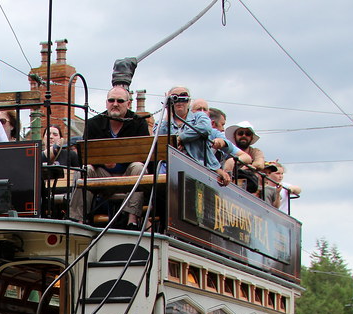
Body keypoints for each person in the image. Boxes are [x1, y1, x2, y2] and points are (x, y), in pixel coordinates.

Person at [69, 85, 149, 225]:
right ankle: (78, 220)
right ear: (106, 103)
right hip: (102, 174)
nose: (115, 104)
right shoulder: (94, 123)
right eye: (111, 100)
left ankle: (131, 220)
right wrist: (103, 162)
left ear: (128, 104)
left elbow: (145, 156)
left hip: (128, 174)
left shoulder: (138, 123)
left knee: (139, 167)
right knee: (84, 170)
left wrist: (120, 161)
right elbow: (85, 154)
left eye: (120, 101)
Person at [156, 86, 231, 185]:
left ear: (189, 101)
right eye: (175, 97)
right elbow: (161, 139)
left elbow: (205, 128)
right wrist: (168, 110)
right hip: (169, 168)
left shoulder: (199, 117)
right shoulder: (161, 122)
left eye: (183, 96)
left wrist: (181, 138)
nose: (179, 100)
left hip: (197, 167)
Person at [223, 121, 266, 192]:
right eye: (240, 133)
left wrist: (248, 167)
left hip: (248, 187)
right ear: (235, 136)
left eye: (248, 134)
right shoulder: (228, 149)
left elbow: (260, 164)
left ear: (251, 137)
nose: (244, 136)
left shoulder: (255, 151)